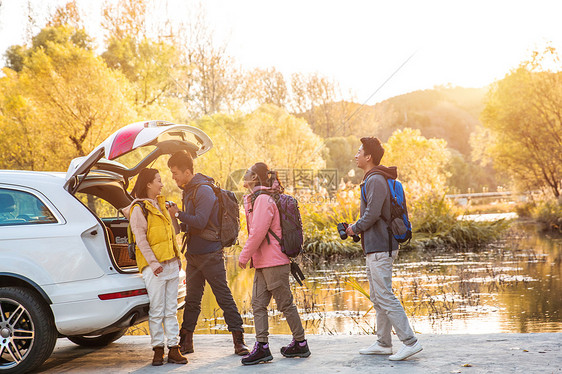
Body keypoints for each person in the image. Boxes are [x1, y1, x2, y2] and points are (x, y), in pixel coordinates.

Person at [346, 137, 422, 361]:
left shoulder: (376, 179)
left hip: (381, 246)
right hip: (376, 246)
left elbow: (372, 214)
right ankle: (383, 342)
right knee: (377, 295)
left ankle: (410, 342)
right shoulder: (374, 178)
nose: (356, 155)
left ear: (368, 156)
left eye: (359, 151)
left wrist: (354, 228)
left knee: (385, 295)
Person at [167, 151, 249, 356]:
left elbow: (201, 221)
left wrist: (177, 213)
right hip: (194, 254)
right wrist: (176, 218)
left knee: (223, 297)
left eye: (175, 173)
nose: (173, 177)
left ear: (187, 171)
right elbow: (190, 224)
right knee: (192, 299)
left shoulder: (204, 190)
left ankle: (239, 341)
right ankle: (186, 342)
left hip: (211, 254)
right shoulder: (188, 190)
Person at [238, 162, 310, 365]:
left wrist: (243, 256)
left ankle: (301, 343)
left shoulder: (263, 200)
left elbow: (258, 232)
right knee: (258, 304)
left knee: (285, 304)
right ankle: (262, 347)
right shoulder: (257, 199)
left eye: (246, 172)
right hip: (263, 262)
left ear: (254, 178)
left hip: (274, 262)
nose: (243, 175)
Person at [123, 168, 187, 366]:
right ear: (148, 184)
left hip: (171, 265)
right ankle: (158, 350)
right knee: (157, 310)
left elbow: (171, 235)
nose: (162, 184)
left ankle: (174, 349)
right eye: (158, 180)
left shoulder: (161, 205)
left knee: (171, 309)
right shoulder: (138, 209)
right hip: (155, 268)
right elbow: (140, 239)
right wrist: (153, 263)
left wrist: (177, 258)